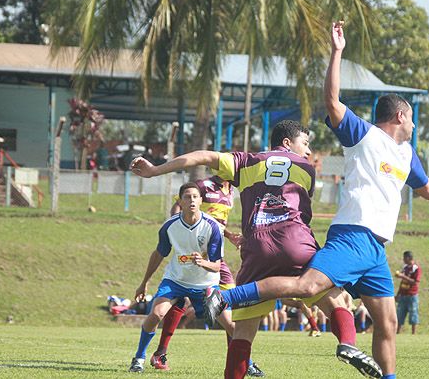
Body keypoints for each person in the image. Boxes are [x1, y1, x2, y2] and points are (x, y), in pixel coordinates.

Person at [203, 21, 429, 379]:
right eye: (413, 120)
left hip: (375, 247)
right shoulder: (364, 134)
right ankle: (225, 299)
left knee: (387, 322)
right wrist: (337, 52)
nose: (415, 127)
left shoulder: (407, 156)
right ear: (401, 115)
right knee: (307, 287)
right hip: (351, 234)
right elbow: (331, 100)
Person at [131, 120, 368, 379]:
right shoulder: (306, 169)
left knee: (243, 332)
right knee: (338, 299)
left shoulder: (246, 161)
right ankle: (347, 343)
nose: (308, 151)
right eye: (306, 143)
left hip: (256, 249)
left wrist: (156, 170)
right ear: (288, 143)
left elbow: (201, 156)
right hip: (296, 244)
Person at [152, 175, 264, 377]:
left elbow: (218, 222)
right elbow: (184, 205)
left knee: (226, 309)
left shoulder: (230, 190)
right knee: (184, 302)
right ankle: (161, 352)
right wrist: (177, 227)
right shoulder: (203, 185)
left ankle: (243, 361)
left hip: (213, 256)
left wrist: (229, 236)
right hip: (197, 253)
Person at [128, 182, 225, 373]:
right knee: (156, 314)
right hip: (176, 280)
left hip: (205, 283)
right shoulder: (170, 226)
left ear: (201, 200)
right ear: (180, 201)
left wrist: (203, 263)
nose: (192, 200)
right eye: (187, 197)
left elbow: (217, 265)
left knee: (229, 323)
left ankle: (247, 363)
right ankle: (139, 358)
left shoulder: (212, 226)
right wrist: (144, 283)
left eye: (195, 197)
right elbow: (159, 254)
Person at [394, 251, 421, 335]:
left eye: (404, 257)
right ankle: (397, 332)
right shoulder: (405, 268)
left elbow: (415, 282)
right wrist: (398, 294)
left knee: (413, 314)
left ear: (409, 258)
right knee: (399, 314)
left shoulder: (416, 269)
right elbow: (402, 282)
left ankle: (413, 333)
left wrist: (403, 276)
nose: (403, 259)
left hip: (412, 296)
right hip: (403, 295)